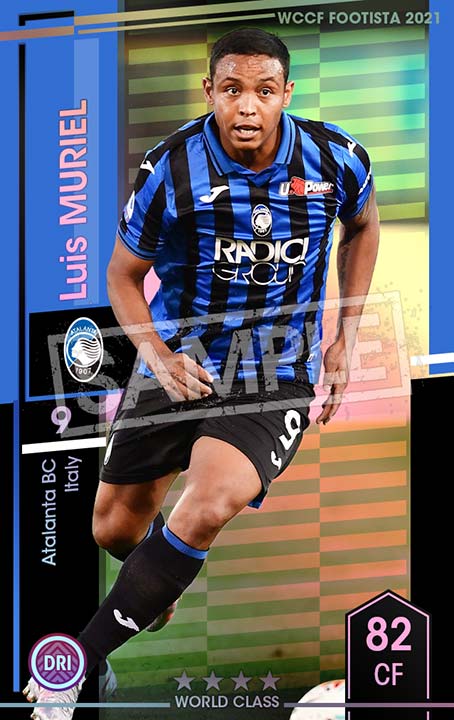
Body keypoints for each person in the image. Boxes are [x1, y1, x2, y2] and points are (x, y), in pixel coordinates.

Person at [23, 26, 379, 719]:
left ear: (286, 94)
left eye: (264, 91)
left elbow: (363, 225)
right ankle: (157, 582)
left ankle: (74, 669)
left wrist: (345, 336)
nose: (248, 106)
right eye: (233, 89)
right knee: (114, 531)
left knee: (207, 504)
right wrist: (157, 357)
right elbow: (122, 275)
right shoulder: (170, 169)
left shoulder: (336, 158)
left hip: (276, 371)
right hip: (180, 362)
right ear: (209, 90)